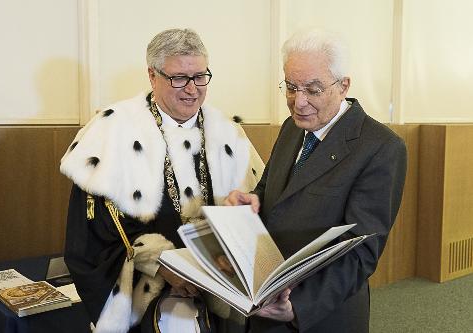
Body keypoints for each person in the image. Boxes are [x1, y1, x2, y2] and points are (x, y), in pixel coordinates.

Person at [60, 28, 264, 332]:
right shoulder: (112, 133)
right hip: (149, 298)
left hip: (223, 294)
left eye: (200, 76)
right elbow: (94, 233)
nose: (192, 89)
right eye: (179, 78)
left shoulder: (228, 134)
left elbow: (256, 209)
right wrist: (161, 264)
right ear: (152, 75)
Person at [225, 29, 407, 332]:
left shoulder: (381, 147)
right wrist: (253, 199)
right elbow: (271, 189)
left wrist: (297, 307)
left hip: (319, 314)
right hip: (266, 297)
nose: (299, 102)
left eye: (313, 89)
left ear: (343, 85)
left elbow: (360, 254)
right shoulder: (292, 127)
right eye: (291, 87)